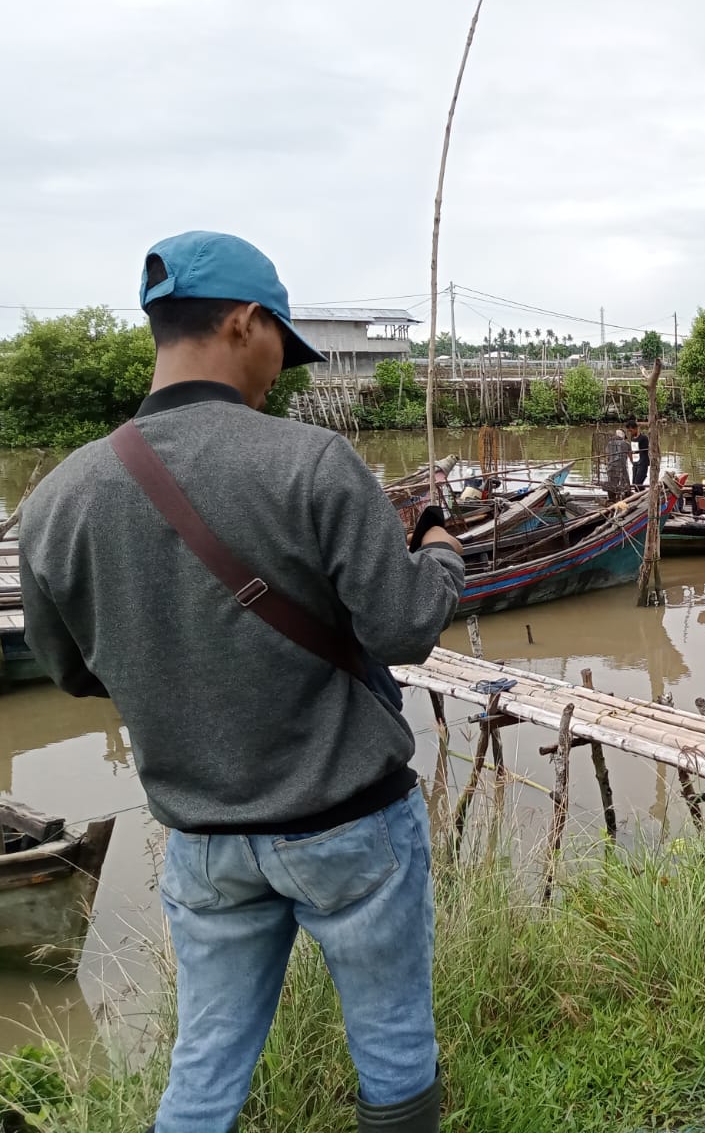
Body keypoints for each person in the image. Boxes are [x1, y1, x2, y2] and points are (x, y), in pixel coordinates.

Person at [18, 231, 466, 1133]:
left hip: (204, 838)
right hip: (349, 827)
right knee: (392, 1048)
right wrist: (442, 552)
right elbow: (403, 628)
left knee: (206, 1063)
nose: (281, 371)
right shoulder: (312, 461)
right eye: (281, 347)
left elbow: (70, 670)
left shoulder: (57, 499)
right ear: (243, 322)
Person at [626, 417, 650, 488]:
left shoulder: (644, 438)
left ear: (636, 428)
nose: (630, 432)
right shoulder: (632, 437)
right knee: (634, 484)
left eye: (631, 430)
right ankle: (642, 493)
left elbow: (646, 451)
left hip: (642, 463)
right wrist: (632, 461)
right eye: (629, 431)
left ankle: (643, 493)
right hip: (635, 463)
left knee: (638, 483)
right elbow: (632, 451)